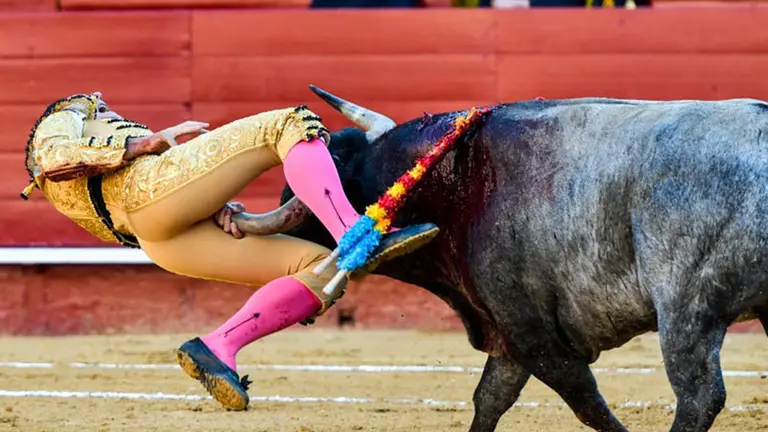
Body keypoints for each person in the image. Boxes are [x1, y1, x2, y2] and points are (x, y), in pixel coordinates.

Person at [21, 92, 439, 411]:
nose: (107, 106)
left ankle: (218, 347)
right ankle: (355, 230)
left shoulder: (77, 175)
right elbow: (55, 159)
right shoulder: (67, 116)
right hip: (145, 194)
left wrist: (214, 208)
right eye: (101, 106)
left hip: (160, 239)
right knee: (288, 123)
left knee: (323, 267)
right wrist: (142, 145)